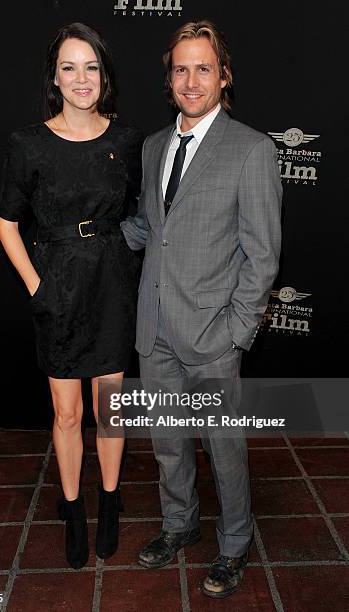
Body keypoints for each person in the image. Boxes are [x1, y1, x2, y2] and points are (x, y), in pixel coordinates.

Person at [121, 20, 282, 598]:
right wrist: (86, 236)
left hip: (214, 334)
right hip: (155, 327)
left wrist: (236, 334)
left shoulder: (252, 149)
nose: (191, 81)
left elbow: (262, 255)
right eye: (181, 69)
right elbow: (148, 228)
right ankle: (178, 526)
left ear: (224, 75)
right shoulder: (152, 147)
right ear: (169, 79)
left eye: (203, 68)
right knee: (168, 441)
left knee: (224, 449)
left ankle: (234, 545)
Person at [0, 22, 142, 569]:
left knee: (109, 409)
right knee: (66, 411)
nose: (82, 78)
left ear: (104, 75)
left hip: (112, 283)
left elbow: (142, 215)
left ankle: (108, 501)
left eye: (92, 67)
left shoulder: (128, 141)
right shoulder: (27, 143)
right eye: (69, 67)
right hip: (56, 283)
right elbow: (6, 224)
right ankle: (74, 508)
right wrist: (38, 284)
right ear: (54, 79)